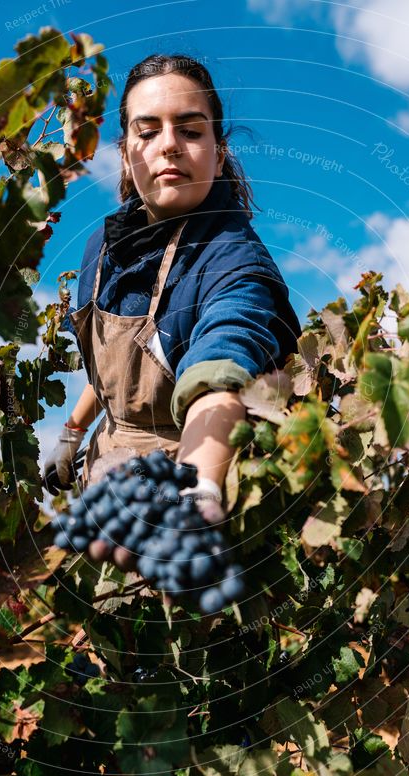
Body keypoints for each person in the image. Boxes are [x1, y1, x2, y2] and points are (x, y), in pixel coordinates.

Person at [43, 53, 301, 530]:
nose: (169, 146)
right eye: (147, 131)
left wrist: (199, 487)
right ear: (125, 152)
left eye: (190, 129)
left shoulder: (235, 261)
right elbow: (113, 376)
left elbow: (217, 374)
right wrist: (72, 433)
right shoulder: (101, 246)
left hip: (181, 484)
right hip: (106, 473)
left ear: (218, 152)